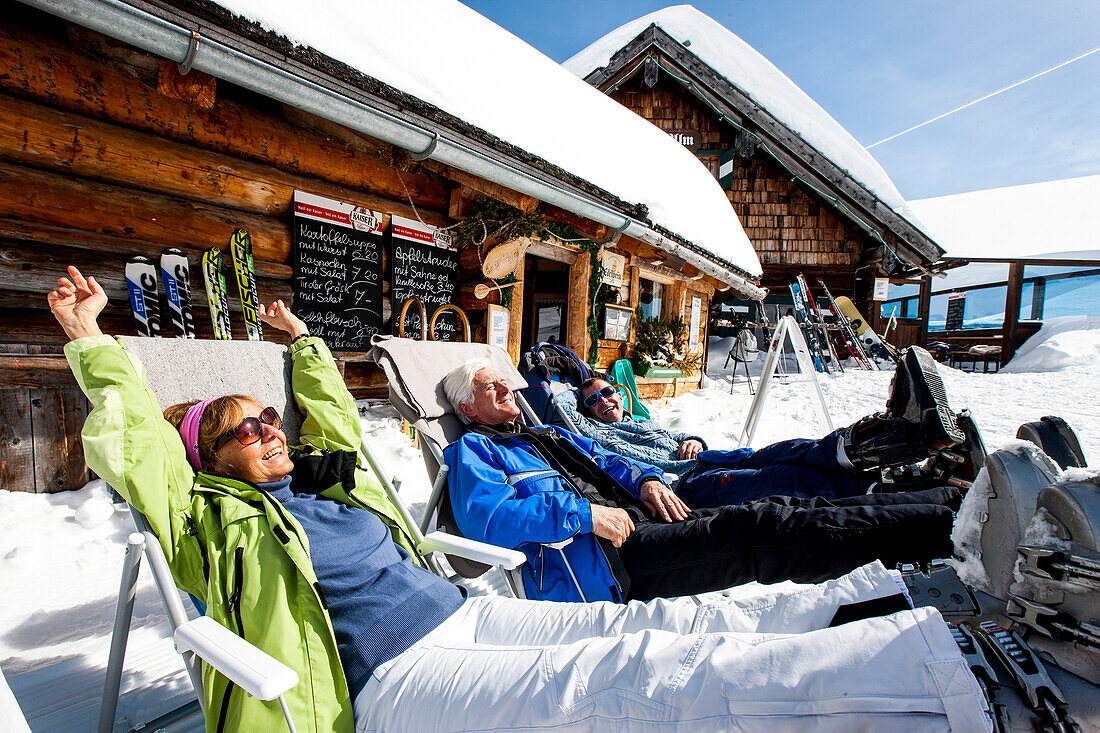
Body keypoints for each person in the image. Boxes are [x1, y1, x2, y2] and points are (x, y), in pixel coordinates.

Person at [50, 266, 989, 732]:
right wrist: (96, 341)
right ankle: (951, 697)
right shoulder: (214, 516)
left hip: (463, 613)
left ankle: (920, 620)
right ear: (206, 463)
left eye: (269, 421)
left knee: (663, 639)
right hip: (391, 681)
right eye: (243, 430)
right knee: (632, 690)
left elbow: (327, 414)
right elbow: (140, 453)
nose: (270, 432)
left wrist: (297, 345)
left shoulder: (325, 483)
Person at [443, 358, 963, 604]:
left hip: (646, 514)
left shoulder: (547, 435)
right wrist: (584, 515)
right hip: (608, 560)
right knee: (763, 528)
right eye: (492, 385)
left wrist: (647, 480)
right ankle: (948, 519)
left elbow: (609, 461)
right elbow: (486, 520)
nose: (507, 387)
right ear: (467, 406)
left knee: (782, 500)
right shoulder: (473, 450)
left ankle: (939, 498)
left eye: (505, 380)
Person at [571, 347, 961, 507]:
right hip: (687, 484)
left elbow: (678, 436)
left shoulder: (644, 419)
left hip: (712, 458)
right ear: (585, 411)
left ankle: (904, 437)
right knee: (781, 477)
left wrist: (691, 438)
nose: (603, 403)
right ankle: (902, 484)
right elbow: (561, 417)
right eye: (593, 401)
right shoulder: (596, 435)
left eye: (607, 394)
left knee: (794, 449)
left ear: (621, 395)